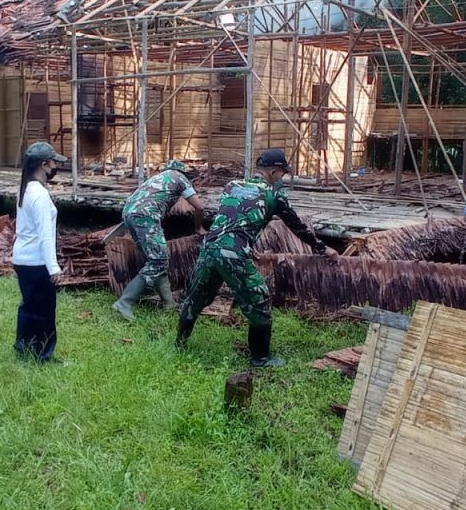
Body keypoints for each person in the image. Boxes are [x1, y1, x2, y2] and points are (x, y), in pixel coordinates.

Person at [176, 149, 334, 368]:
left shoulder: (232, 185)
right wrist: (322, 247)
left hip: (210, 248)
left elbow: (235, 220)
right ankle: (261, 358)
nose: (282, 178)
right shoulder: (274, 196)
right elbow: (297, 226)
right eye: (281, 174)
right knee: (260, 301)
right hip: (234, 256)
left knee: (196, 299)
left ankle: (179, 344)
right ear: (271, 171)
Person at [112, 160, 206, 320]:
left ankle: (168, 303)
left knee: (155, 260)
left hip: (128, 213)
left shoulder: (157, 178)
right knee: (158, 261)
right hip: (146, 215)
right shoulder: (180, 177)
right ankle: (124, 302)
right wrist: (199, 228)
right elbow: (199, 207)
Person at [12, 141, 68, 362]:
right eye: (54, 162)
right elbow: (45, 235)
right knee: (44, 311)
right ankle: (44, 355)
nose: (56, 166)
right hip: (36, 261)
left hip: (22, 257)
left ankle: (23, 348)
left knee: (28, 306)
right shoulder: (40, 195)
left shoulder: (25, 188)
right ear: (44, 164)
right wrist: (53, 267)